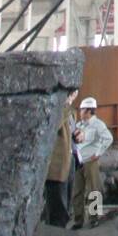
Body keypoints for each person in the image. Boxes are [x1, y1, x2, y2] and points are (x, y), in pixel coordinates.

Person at [71, 96, 113, 229]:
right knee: (77, 191)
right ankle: (78, 220)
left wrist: (98, 153)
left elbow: (108, 138)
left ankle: (94, 218)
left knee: (93, 190)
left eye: (82, 109)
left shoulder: (98, 125)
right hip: (79, 162)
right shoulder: (79, 125)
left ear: (89, 111)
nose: (80, 111)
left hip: (90, 162)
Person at [43, 94, 77, 227]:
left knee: (65, 211)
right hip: (56, 170)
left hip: (69, 163)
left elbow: (68, 130)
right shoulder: (54, 107)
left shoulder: (68, 110)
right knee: (57, 213)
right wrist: (66, 104)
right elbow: (53, 126)